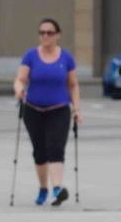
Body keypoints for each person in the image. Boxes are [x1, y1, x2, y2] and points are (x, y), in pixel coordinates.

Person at [13, 17, 81, 206]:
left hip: (59, 109)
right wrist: (18, 89)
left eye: (49, 33)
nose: (45, 36)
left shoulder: (66, 58)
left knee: (56, 148)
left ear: (57, 35)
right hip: (33, 109)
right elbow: (20, 78)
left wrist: (76, 109)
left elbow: (73, 85)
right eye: (42, 32)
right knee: (40, 151)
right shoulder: (31, 56)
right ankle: (43, 188)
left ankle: (57, 188)